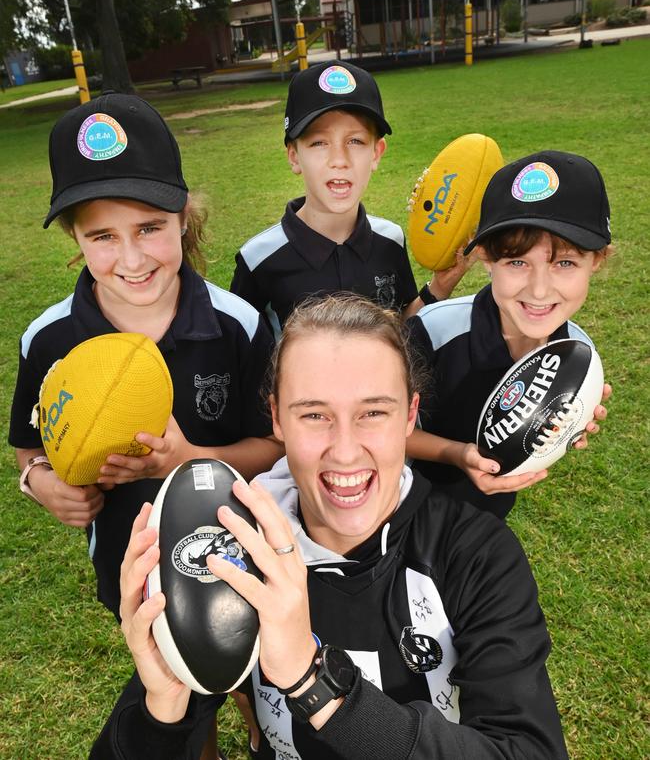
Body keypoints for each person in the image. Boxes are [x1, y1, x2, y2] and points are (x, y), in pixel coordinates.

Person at [91, 294, 569, 759]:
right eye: (315, 415)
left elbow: (527, 747)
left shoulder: (473, 552)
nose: (344, 450)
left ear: (409, 415)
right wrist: (162, 707)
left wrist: (311, 680)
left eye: (373, 413)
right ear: (277, 418)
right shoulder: (233, 545)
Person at [9, 91, 283, 621]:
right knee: (168, 687)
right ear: (76, 237)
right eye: (104, 236)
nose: (132, 259)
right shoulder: (47, 340)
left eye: (150, 227)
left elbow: (276, 447)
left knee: (251, 680)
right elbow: (30, 446)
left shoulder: (237, 325)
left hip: (236, 551)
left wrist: (187, 459)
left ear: (182, 217)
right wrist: (40, 482)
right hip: (128, 564)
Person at [406, 150, 612, 519]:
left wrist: (570, 423)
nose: (538, 290)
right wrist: (457, 453)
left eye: (564, 262)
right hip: (395, 505)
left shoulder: (578, 353)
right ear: (485, 257)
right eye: (517, 262)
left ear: (596, 260)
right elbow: (370, 425)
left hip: (484, 517)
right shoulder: (433, 330)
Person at [230, 61, 464, 338]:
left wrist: (440, 284)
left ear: (376, 153)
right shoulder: (259, 259)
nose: (339, 160)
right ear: (294, 156)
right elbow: (245, 355)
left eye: (355, 141)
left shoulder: (391, 240)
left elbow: (398, 328)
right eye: (319, 143)